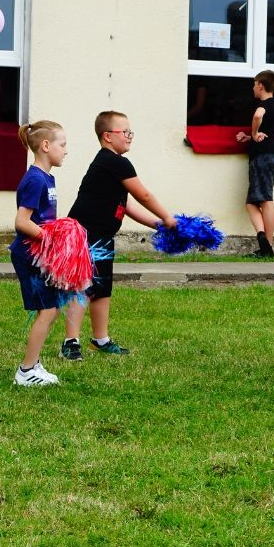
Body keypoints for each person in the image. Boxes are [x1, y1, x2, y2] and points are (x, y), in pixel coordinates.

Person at [63, 111, 178, 361]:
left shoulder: (113, 164)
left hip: (102, 236)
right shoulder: (115, 162)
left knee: (102, 289)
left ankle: (101, 340)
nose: (129, 136)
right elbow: (143, 195)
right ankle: (70, 343)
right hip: (85, 235)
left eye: (130, 132)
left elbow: (126, 206)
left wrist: (158, 224)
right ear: (107, 136)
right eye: (124, 132)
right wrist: (168, 218)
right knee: (82, 287)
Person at [10, 120, 68, 386]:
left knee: (53, 309)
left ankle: (33, 363)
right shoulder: (35, 179)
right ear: (46, 146)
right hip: (29, 254)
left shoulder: (46, 177)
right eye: (62, 144)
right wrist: (51, 239)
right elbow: (22, 222)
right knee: (48, 310)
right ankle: (26, 371)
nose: (66, 150)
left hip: (41, 253)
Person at [236, 70, 274, 258]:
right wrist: (250, 137)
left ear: (261, 85)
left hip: (262, 158)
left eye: (255, 84)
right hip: (268, 157)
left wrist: (254, 134)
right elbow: (268, 132)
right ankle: (264, 241)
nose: (253, 88)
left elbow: (257, 116)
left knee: (265, 200)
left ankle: (267, 245)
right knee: (252, 203)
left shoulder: (265, 105)